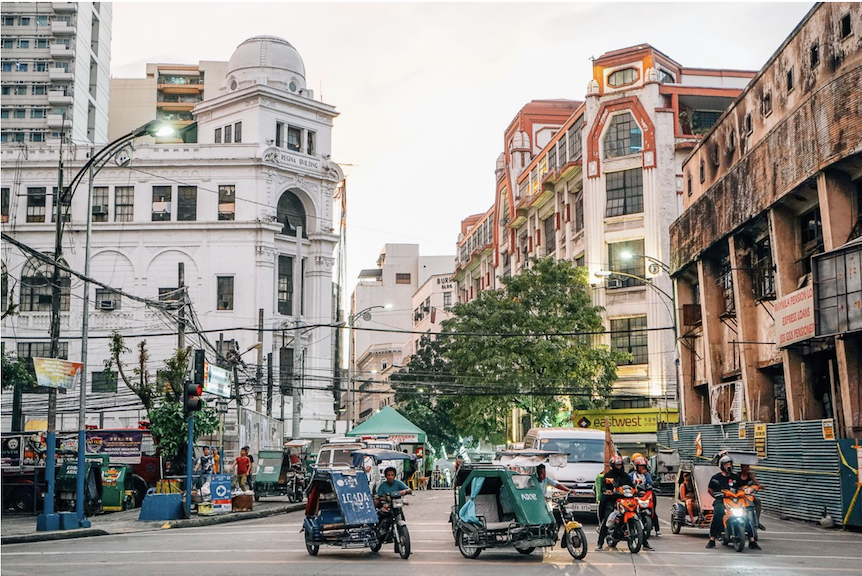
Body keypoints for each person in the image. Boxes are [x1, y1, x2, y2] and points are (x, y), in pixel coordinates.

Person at [706, 455, 760, 550]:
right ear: (722, 466)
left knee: (746, 516)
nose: (729, 466)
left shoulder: (735, 477)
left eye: (730, 464)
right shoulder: (716, 478)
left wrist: (748, 490)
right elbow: (710, 490)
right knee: (718, 515)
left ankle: (752, 541)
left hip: (735, 500)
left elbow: (741, 488)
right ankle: (712, 539)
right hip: (722, 500)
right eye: (727, 464)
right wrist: (716, 496)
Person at [595, 455, 634, 551]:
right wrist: (607, 491)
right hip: (612, 500)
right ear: (613, 465)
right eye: (617, 465)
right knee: (608, 518)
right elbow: (603, 486)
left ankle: (645, 543)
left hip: (625, 499)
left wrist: (637, 490)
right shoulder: (608, 475)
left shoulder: (626, 476)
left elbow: (632, 486)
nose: (619, 467)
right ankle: (600, 543)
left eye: (620, 465)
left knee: (637, 513)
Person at [630, 456, 661, 541]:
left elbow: (651, 483)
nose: (642, 468)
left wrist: (647, 477)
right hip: (635, 495)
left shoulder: (647, 475)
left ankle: (657, 529)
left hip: (646, 494)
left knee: (653, 509)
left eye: (644, 466)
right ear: (636, 466)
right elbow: (628, 484)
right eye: (641, 466)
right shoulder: (631, 475)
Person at [739, 463, 765, 530]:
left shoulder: (750, 475)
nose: (747, 468)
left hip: (747, 496)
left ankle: (757, 521)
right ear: (741, 467)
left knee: (757, 501)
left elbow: (756, 483)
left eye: (748, 466)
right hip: (738, 496)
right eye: (745, 466)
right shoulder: (737, 475)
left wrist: (760, 486)